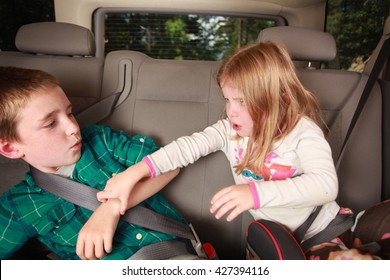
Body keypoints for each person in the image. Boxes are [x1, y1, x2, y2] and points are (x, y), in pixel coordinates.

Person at [97, 41, 389, 260]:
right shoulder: (229, 132)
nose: (231, 111)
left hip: (325, 229)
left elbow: (326, 186)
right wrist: (134, 173)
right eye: (227, 99)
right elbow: (184, 149)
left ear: (280, 99)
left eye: (243, 102)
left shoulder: (303, 132)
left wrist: (254, 193)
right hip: (274, 240)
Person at [0, 66, 185, 260]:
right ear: (11, 149)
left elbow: (169, 163)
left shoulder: (101, 141)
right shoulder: (18, 205)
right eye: (50, 124)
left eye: (70, 113)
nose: (73, 127)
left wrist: (111, 207)